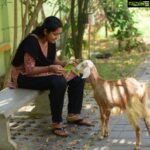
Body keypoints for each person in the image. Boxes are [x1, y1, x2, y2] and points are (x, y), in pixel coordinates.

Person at [9, 16, 92, 137]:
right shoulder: (31, 42)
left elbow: (53, 60)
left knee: (77, 75)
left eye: (59, 34)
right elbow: (30, 69)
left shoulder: (50, 40)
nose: (57, 37)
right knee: (58, 81)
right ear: (45, 31)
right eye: (55, 34)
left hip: (40, 73)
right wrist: (50, 68)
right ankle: (56, 123)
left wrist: (66, 63)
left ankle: (73, 114)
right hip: (23, 77)